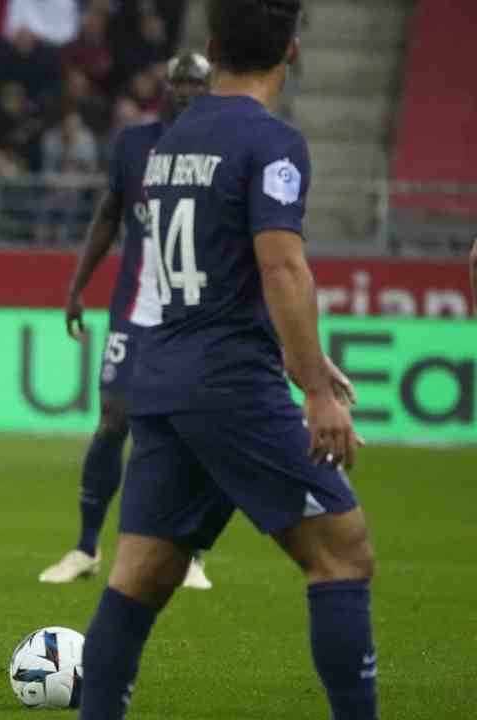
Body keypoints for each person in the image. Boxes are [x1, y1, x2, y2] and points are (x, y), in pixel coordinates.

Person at [78, 2, 378, 718]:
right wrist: (316, 391)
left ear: (211, 50)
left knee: (142, 572)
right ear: (293, 51)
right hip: (231, 385)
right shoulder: (272, 143)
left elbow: (208, 268)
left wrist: (305, 355)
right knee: (343, 553)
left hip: (163, 372)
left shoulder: (174, 140)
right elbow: (281, 268)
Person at [38, 52, 213, 589]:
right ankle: (87, 546)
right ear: (164, 86)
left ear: (209, 87)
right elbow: (109, 216)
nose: (184, 89)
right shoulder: (134, 144)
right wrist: (75, 286)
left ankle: (190, 553)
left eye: (195, 82)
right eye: (177, 80)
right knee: (114, 420)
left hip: (198, 311)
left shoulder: (221, 147)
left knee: (198, 427)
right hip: (136, 308)